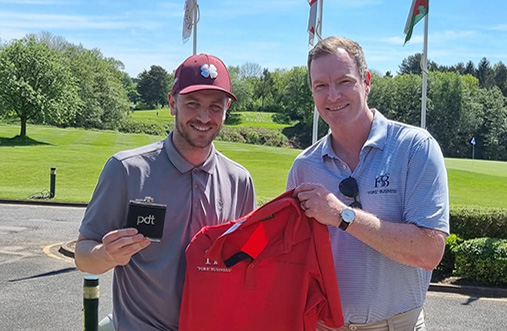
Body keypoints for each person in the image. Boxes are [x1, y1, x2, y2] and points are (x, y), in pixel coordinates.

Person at [74, 53, 256, 331]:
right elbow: (83, 255)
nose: (204, 117)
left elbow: (247, 265)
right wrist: (107, 255)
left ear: (227, 108)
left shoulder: (240, 181)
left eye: (215, 107)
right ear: (173, 103)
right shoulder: (126, 170)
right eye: (192, 104)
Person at [288, 36, 449, 330]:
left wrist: (342, 215)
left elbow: (429, 252)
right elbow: (293, 261)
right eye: (320, 86)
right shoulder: (303, 167)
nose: (332, 95)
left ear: (367, 82)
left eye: (344, 81)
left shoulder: (415, 148)